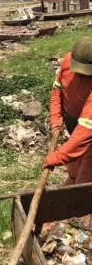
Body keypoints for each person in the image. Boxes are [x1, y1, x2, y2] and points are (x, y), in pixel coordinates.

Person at [43, 37, 92, 185]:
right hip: (75, 126)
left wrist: (57, 157)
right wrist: (56, 120)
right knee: (74, 171)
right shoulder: (67, 62)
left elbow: (85, 132)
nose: (80, 75)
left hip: (88, 132)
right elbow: (57, 91)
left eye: (85, 74)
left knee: (85, 179)